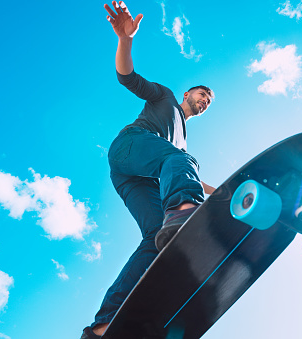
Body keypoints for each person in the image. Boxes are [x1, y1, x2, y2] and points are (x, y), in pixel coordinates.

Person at [81, 2, 215, 338]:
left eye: (208, 103)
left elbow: (186, 172)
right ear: (188, 93)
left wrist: (225, 191)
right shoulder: (166, 98)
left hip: (135, 178)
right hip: (131, 146)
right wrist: (125, 41)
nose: (203, 102)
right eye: (202, 95)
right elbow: (126, 77)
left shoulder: (180, 145)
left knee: (157, 239)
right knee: (181, 162)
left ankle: (103, 326)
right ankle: (184, 213)